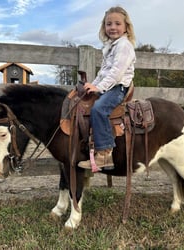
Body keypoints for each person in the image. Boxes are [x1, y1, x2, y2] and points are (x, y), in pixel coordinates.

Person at [78, 6, 136, 170]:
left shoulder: (124, 46)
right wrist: (93, 85)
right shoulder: (110, 47)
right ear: (104, 27)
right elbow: (103, 72)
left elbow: (116, 74)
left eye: (117, 23)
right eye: (108, 24)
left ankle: (104, 154)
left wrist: (99, 88)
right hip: (108, 85)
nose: (113, 27)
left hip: (118, 88)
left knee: (98, 109)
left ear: (126, 27)